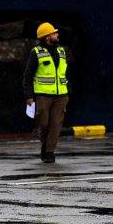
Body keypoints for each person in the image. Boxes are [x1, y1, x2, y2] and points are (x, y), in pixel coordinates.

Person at [22, 22, 69, 163]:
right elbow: (28, 75)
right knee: (44, 124)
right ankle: (45, 147)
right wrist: (29, 96)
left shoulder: (61, 51)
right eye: (54, 33)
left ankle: (49, 152)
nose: (57, 34)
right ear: (47, 37)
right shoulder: (36, 53)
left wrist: (69, 91)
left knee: (56, 124)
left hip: (61, 95)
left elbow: (66, 73)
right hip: (43, 95)